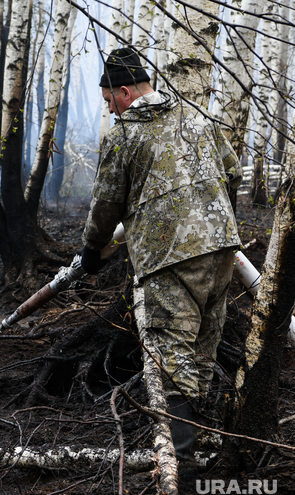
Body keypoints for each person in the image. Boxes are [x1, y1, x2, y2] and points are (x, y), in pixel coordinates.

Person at [80, 47, 241, 463]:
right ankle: (204, 446)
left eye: (109, 101)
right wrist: (215, 218)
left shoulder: (125, 134)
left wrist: (91, 249)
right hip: (223, 248)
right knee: (203, 349)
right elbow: (234, 169)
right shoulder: (196, 116)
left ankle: (179, 468)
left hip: (170, 259)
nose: (111, 111)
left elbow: (106, 205)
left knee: (172, 355)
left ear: (126, 91)